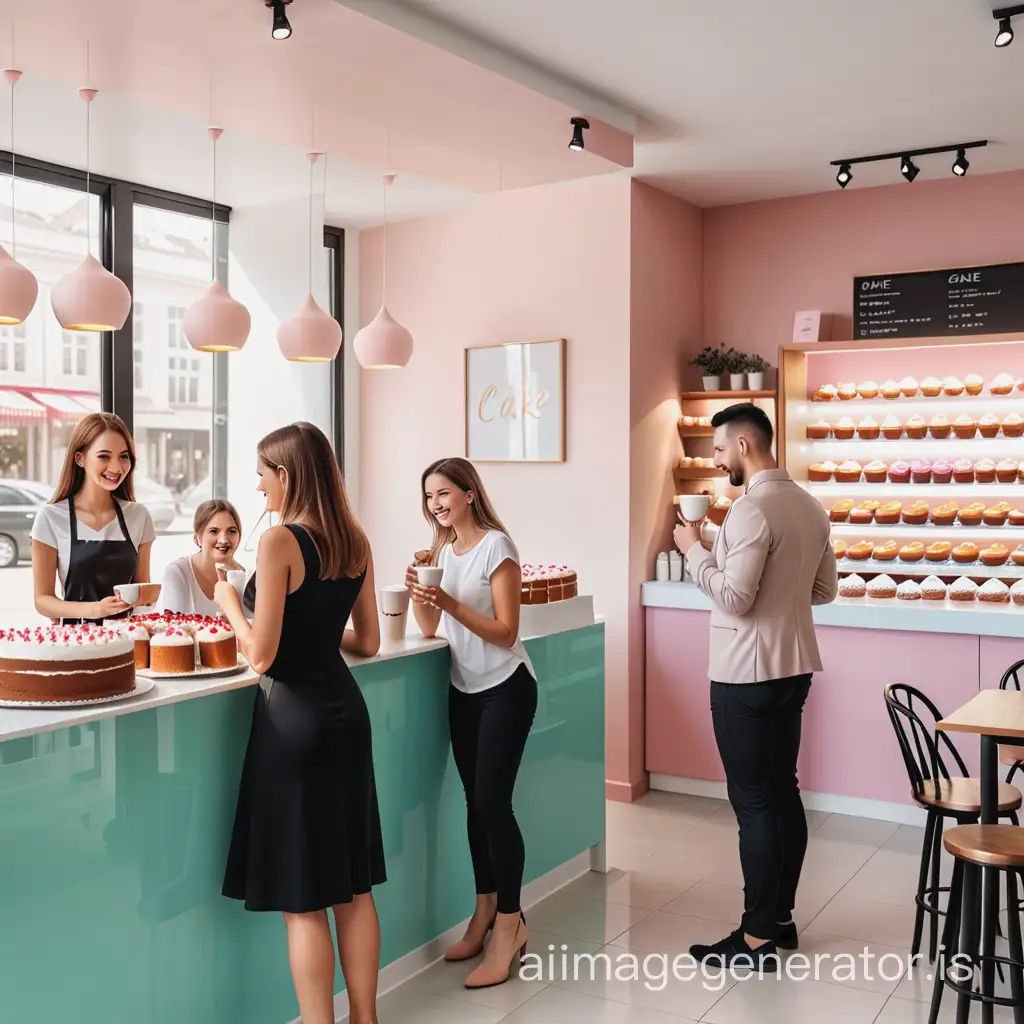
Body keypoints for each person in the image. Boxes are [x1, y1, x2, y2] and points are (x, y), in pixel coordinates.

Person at [216, 422, 384, 1024]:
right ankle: (366, 1018)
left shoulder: (280, 541)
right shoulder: (356, 540)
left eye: (263, 472)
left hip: (294, 724)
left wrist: (233, 603)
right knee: (354, 887)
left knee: (304, 897)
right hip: (345, 715)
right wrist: (310, 633)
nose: (257, 484)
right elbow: (368, 640)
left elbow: (260, 656)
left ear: (286, 474)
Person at [673, 403, 837, 969]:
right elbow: (821, 590)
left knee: (753, 804)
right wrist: (723, 547)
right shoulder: (810, 506)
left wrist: (692, 550)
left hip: (744, 673)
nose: (717, 461)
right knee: (782, 791)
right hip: (793, 670)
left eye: (719, 450)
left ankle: (756, 936)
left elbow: (736, 599)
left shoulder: (750, 509)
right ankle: (781, 921)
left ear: (744, 445)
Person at [407, 457, 535, 989]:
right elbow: (431, 626)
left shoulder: (496, 547)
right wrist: (421, 595)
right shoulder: (441, 551)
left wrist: (450, 602)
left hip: (507, 686)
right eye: (429, 497)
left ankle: (510, 922)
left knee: (491, 804)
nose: (436, 504)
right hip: (463, 690)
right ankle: (484, 909)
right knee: (472, 806)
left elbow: (506, 631)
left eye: (444, 494)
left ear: (468, 494)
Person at [32, 412, 155, 624]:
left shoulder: (138, 516)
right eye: (104, 456)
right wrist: (95, 609)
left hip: (127, 641)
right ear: (80, 459)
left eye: (123, 456)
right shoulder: (51, 517)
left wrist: (150, 596)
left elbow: (142, 587)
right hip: (75, 643)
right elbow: (42, 600)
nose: (116, 468)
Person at [160, 499, 244, 617]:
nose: (224, 540)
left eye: (231, 531)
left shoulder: (243, 577)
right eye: (214, 531)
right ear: (197, 537)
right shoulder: (177, 572)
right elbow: (176, 629)